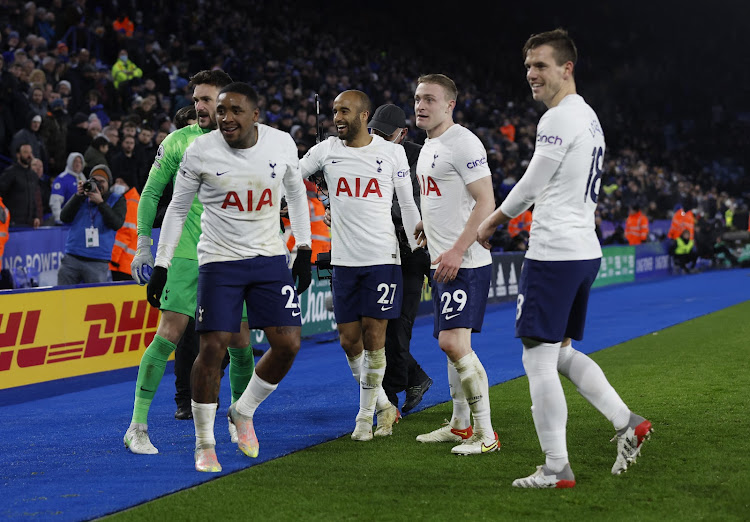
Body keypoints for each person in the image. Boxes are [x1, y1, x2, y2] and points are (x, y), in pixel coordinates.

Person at [477, 29, 652, 488]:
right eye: (528, 67)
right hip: (583, 251)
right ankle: (626, 420)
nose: (531, 74)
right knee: (560, 352)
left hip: (554, 254)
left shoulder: (558, 118)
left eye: (541, 65)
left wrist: (491, 221)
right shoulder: (588, 117)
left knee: (536, 359)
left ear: (567, 68)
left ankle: (556, 467)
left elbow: (533, 184)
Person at [148, 82, 312, 472]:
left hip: (270, 258)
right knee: (212, 349)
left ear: (256, 115)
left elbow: (296, 192)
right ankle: (204, 443)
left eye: (235, 110)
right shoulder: (199, 151)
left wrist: (304, 248)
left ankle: (244, 410)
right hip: (219, 261)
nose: (226, 118)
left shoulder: (281, 144)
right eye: (221, 111)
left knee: (288, 344)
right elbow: (175, 209)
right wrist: (161, 263)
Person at [123, 70, 255, 455]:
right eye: (196, 99)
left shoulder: (250, 143)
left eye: (207, 99)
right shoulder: (178, 142)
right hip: (185, 252)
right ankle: (137, 426)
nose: (199, 106)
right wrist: (143, 245)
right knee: (168, 335)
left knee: (242, 342)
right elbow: (149, 193)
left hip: (233, 254)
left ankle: (238, 418)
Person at [299, 90, 420, 441]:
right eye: (335, 111)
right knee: (348, 340)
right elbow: (292, 178)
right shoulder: (326, 151)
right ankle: (383, 404)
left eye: (345, 111)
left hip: (383, 258)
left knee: (375, 337)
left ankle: (364, 418)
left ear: (364, 115)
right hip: (344, 262)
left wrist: (417, 246)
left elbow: (408, 203)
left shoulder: (392, 152)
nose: (337, 117)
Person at [411, 74, 499, 456]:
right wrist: (425, 224)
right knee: (450, 342)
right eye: (417, 98)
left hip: (464, 261)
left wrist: (458, 250)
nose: (421, 105)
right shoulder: (431, 145)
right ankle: (461, 426)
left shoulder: (463, 142)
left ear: (450, 105)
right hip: (442, 257)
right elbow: (444, 195)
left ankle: (487, 434)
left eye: (430, 99)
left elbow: (485, 201)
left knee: (452, 342)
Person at [367, 103, 433, 413]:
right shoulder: (366, 152)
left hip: (412, 253)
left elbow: (414, 210)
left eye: (382, 134)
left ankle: (389, 399)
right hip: (380, 250)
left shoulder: (420, 158)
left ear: (402, 134)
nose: (375, 138)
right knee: (380, 325)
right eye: (372, 132)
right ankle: (414, 377)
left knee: (396, 326)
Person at [57, 164, 126, 285]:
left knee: (95, 301)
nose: (98, 185)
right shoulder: (82, 197)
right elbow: (64, 217)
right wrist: (77, 196)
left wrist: (101, 203)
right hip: (72, 257)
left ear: (109, 183)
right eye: (94, 181)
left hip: (98, 261)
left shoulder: (117, 199)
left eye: (102, 181)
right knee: (63, 298)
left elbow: (116, 223)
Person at [0, 143, 41, 228]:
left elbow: (33, 198)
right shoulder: (10, 173)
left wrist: (35, 216)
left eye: (30, 152)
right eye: (25, 152)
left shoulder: (33, 175)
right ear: (18, 155)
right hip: (12, 223)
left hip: (29, 223)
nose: (29, 155)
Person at [109, 175, 140, 281]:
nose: (117, 185)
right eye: (116, 181)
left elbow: (126, 232)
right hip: (125, 262)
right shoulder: (128, 200)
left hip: (121, 262)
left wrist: (114, 258)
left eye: (122, 183)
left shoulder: (131, 203)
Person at [50, 152, 86, 224]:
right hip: (67, 222)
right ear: (70, 162)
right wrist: (59, 218)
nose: (78, 164)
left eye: (80, 162)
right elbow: (55, 201)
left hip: (81, 221)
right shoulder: (62, 179)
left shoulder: (83, 178)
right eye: (75, 161)